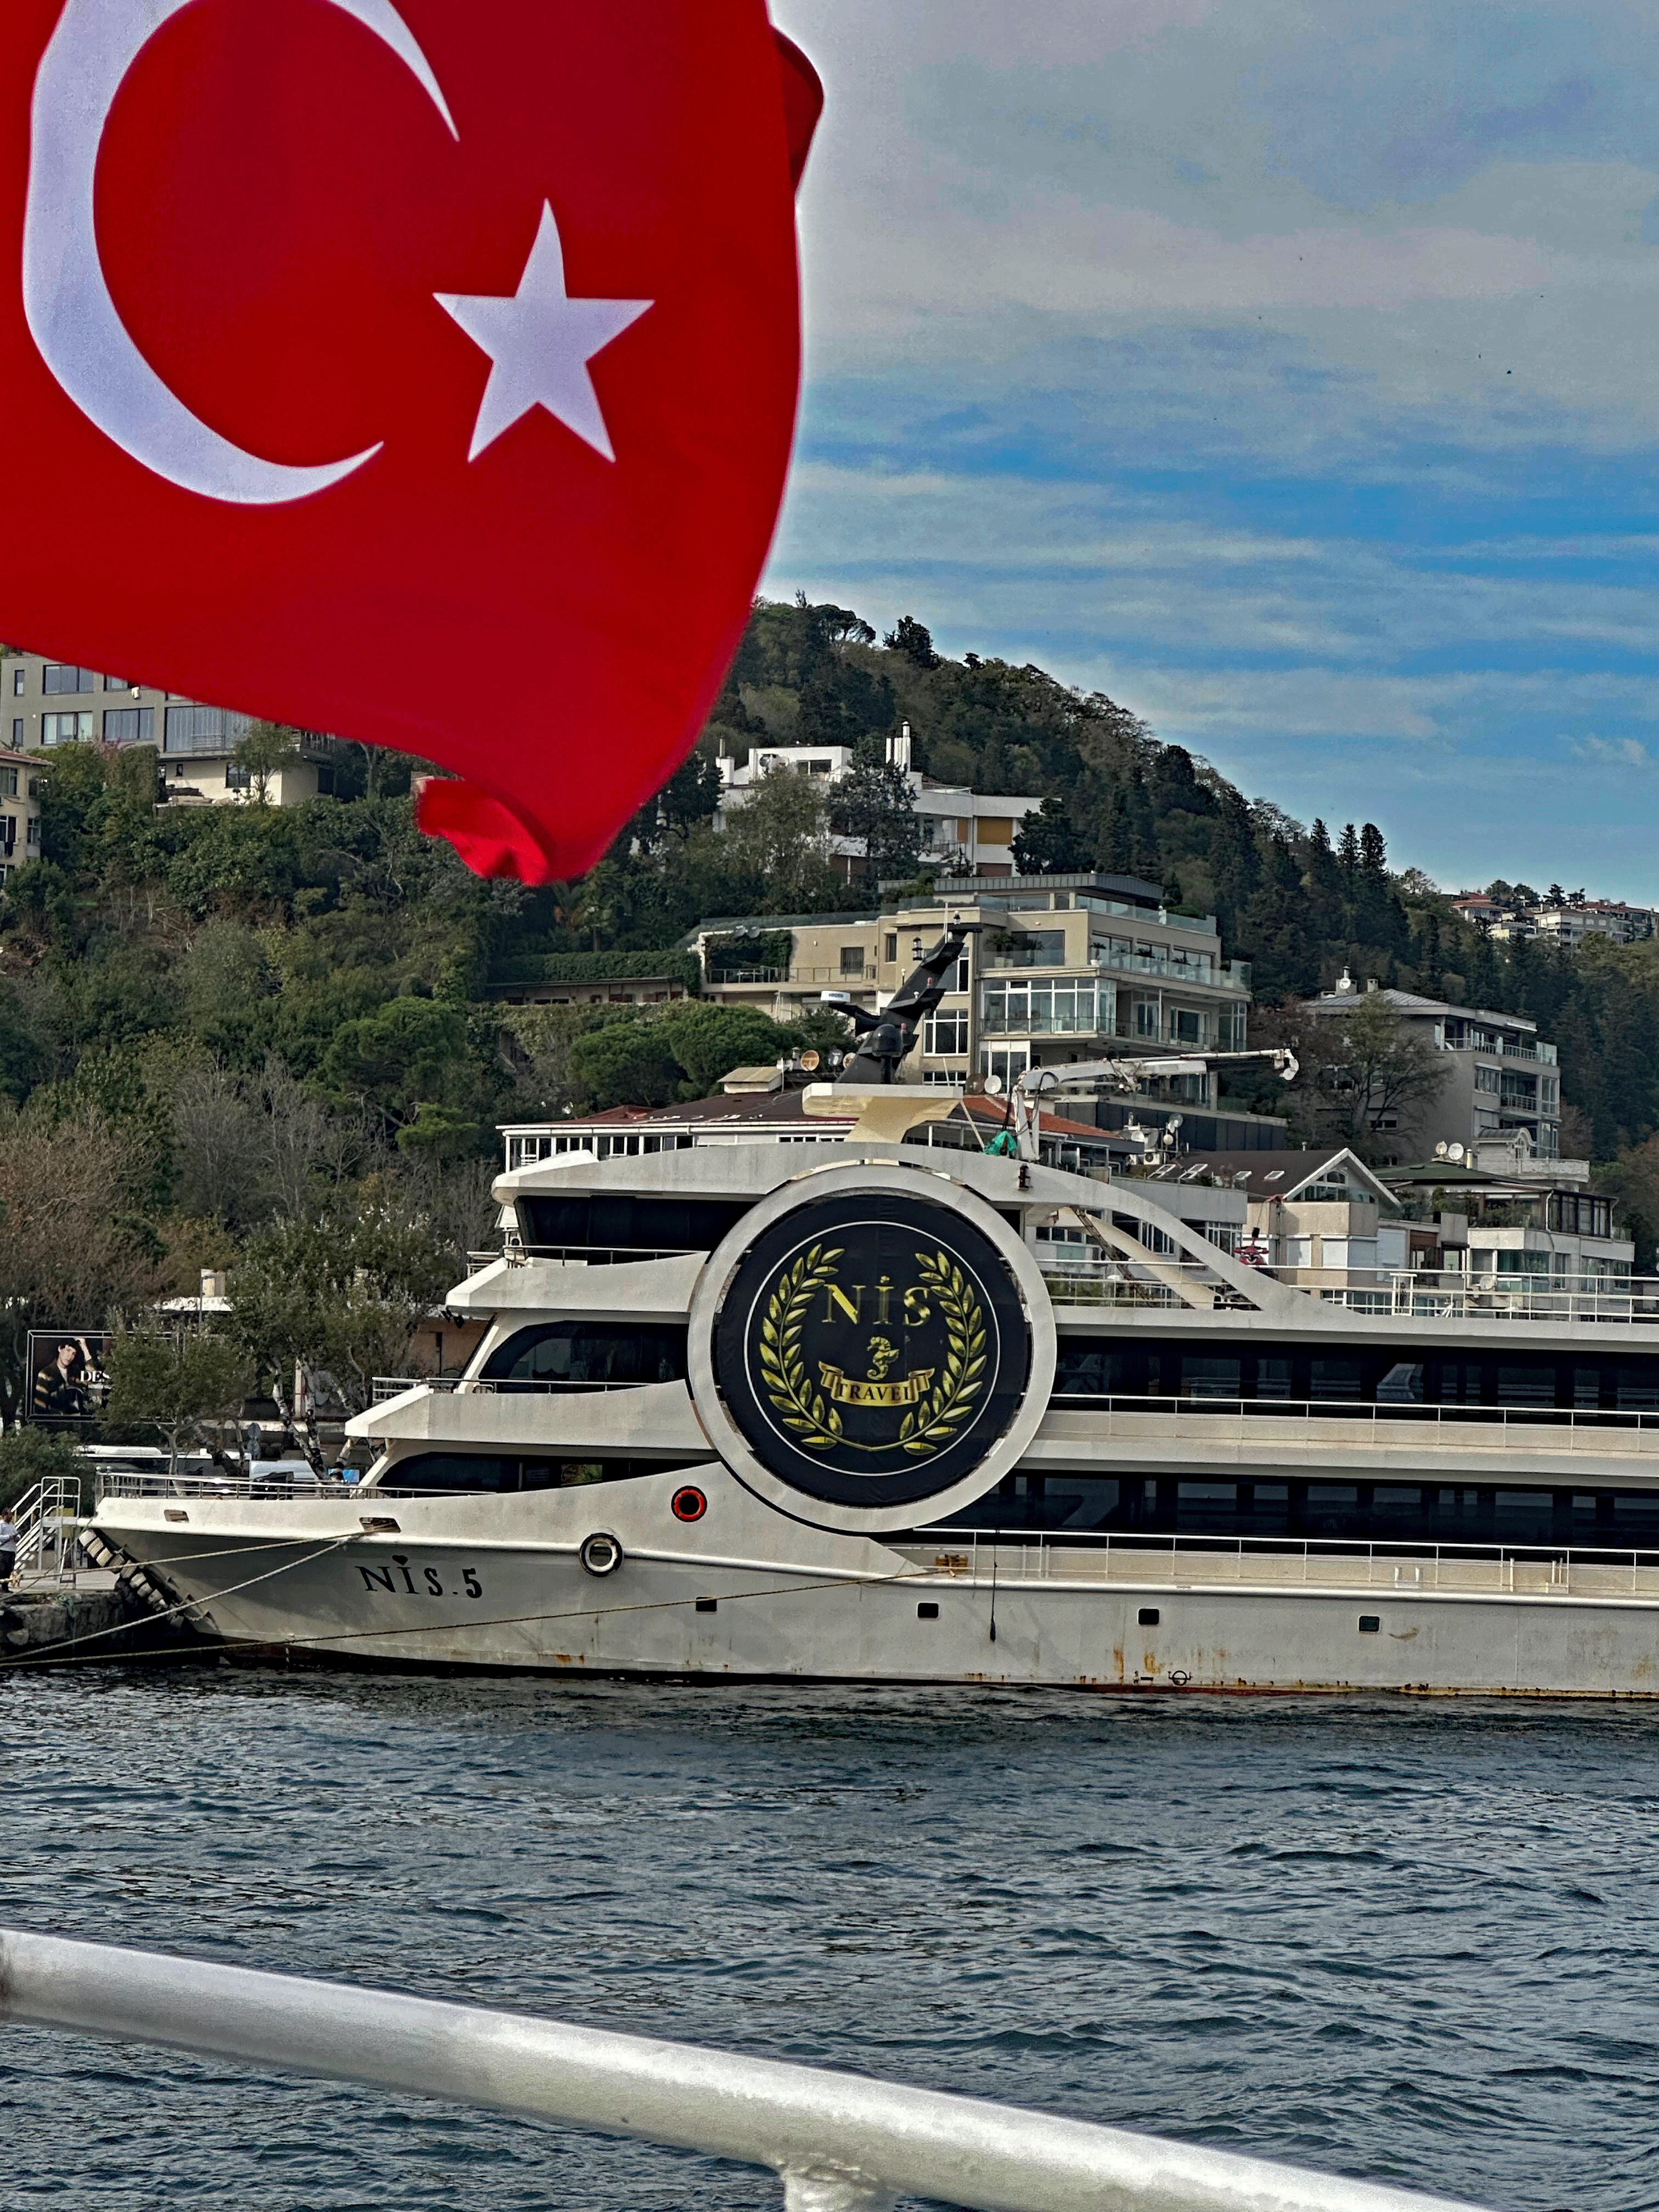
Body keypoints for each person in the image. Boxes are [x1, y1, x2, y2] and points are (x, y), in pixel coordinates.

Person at [0, 1506, 18, 1588]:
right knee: (2, 1570)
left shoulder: (12, 1525)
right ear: (4, 1515)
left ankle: (5, 1587)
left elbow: (17, 1534)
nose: (11, 1517)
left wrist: (17, 1538)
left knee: (9, 1570)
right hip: (4, 1551)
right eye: (9, 1514)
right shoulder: (1, 1525)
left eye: (11, 1515)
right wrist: (9, 1537)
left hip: (12, 1551)